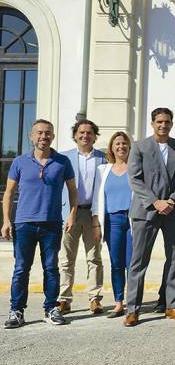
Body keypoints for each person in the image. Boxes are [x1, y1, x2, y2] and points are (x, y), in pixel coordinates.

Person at [123, 108, 175, 327]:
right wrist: (155, 202)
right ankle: (133, 309)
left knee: (174, 259)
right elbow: (134, 178)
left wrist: (171, 201)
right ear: (152, 123)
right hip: (146, 211)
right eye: (160, 121)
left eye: (167, 122)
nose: (163, 125)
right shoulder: (140, 147)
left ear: (172, 124)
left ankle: (171, 306)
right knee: (138, 261)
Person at [3, 120, 76, 328]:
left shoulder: (62, 162)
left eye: (48, 133)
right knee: (21, 269)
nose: (44, 136)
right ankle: (17, 311)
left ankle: (51, 309)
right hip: (24, 223)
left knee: (51, 268)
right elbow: (8, 193)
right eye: (40, 133)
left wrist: (72, 215)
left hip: (51, 224)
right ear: (31, 136)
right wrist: (6, 220)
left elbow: (72, 191)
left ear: (53, 136)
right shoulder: (19, 162)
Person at [58, 119, 106, 314]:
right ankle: (64, 299)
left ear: (95, 136)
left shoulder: (104, 159)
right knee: (66, 258)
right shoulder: (63, 158)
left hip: (93, 214)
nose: (85, 136)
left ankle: (94, 298)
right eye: (82, 132)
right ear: (75, 135)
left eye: (89, 133)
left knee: (94, 257)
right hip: (69, 212)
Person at [92, 132, 133, 318]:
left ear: (129, 147)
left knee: (132, 264)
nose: (121, 147)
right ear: (111, 147)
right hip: (112, 221)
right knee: (116, 264)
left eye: (124, 143)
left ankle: (133, 303)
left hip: (133, 221)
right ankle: (119, 303)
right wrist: (97, 225)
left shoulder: (136, 168)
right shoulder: (103, 170)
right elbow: (96, 199)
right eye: (117, 143)